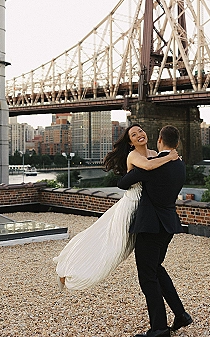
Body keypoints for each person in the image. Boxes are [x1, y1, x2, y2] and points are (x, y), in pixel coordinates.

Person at [53, 124, 179, 290]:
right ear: (131, 142)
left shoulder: (154, 154)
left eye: (141, 130)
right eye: (134, 135)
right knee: (111, 246)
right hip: (131, 205)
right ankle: (72, 272)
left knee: (127, 251)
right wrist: (171, 157)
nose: (139, 135)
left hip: (146, 209)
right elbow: (148, 167)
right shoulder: (133, 156)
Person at [117, 125, 193, 337]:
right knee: (157, 269)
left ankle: (159, 328)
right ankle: (181, 315)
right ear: (176, 144)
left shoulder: (153, 165)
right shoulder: (180, 164)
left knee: (147, 277)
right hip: (167, 226)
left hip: (150, 228)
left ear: (160, 140)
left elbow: (123, 182)